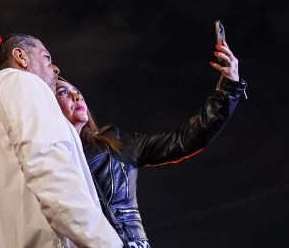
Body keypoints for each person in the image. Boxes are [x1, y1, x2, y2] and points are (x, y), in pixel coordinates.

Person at [54, 39, 248, 247]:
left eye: (77, 91)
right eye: (63, 92)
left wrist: (229, 88)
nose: (76, 96)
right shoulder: (46, 155)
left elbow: (185, 139)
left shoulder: (116, 145)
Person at [0, 33, 122, 248]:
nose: (55, 68)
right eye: (46, 57)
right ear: (21, 57)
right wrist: (103, 241)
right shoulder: (22, 82)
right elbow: (49, 165)